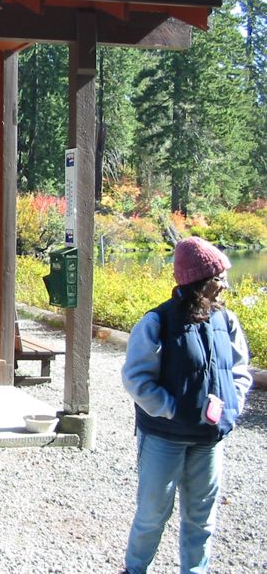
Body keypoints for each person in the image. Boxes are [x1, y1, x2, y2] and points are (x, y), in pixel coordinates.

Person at [120, 236, 252, 574]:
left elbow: (240, 371)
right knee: (152, 515)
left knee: (201, 517)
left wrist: (232, 404)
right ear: (202, 282)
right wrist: (170, 409)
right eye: (219, 278)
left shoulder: (228, 321)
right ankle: (135, 570)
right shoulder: (158, 322)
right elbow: (136, 379)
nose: (224, 284)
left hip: (209, 439)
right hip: (165, 437)